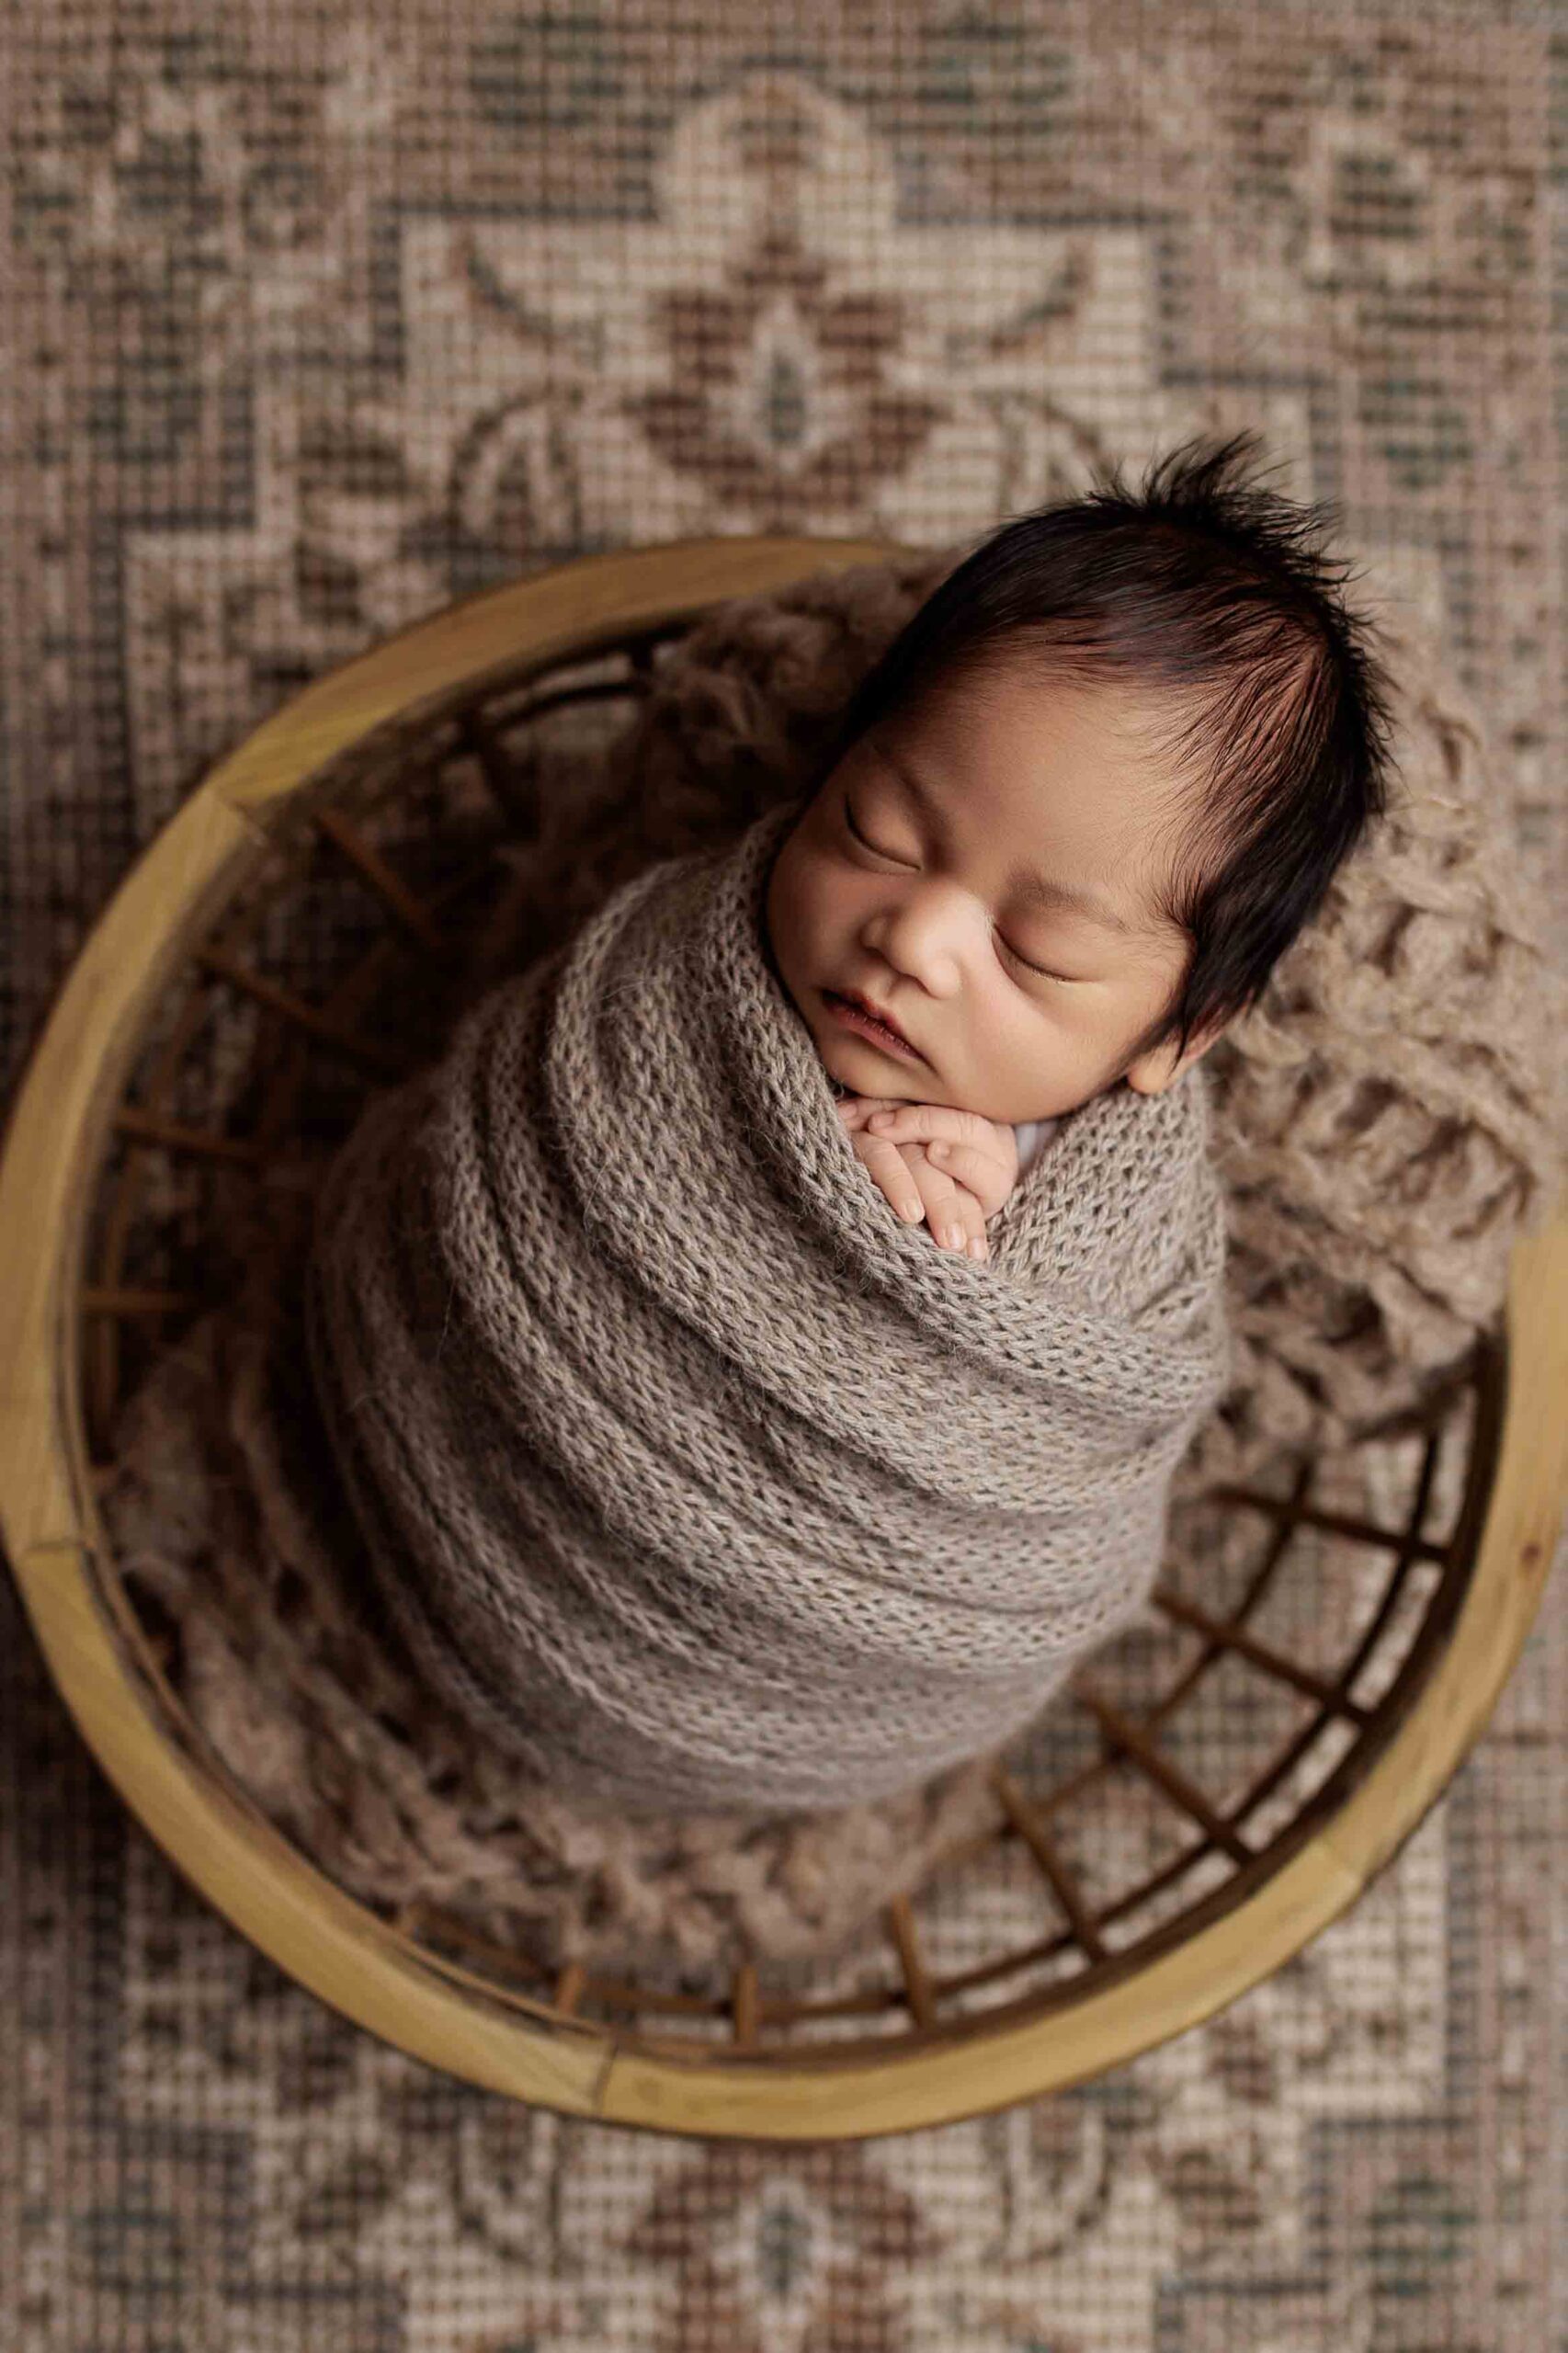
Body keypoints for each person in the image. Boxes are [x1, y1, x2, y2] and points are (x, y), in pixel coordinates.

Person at [764, 427, 1399, 1263]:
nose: (915, 942)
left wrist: (981, 1230)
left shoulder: (1113, 1209)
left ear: (1180, 1034)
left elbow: (1106, 1367)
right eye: (875, 835)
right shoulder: (682, 959)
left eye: (1037, 952)